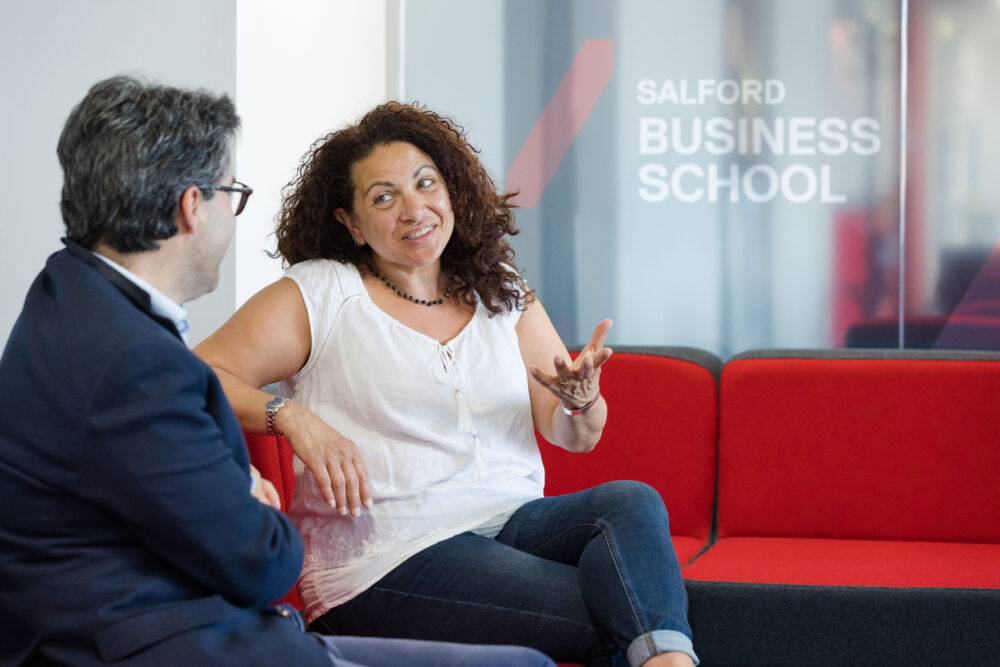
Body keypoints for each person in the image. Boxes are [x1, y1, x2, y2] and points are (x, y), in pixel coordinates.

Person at [0, 76, 554, 667]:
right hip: (166, 644)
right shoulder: (137, 362)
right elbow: (263, 563)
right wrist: (253, 500)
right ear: (193, 205)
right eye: (232, 194)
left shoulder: (65, 296)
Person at [195, 102, 698, 667]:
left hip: (508, 522)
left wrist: (582, 403)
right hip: (384, 559)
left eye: (425, 183)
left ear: (451, 190)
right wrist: (289, 416)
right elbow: (195, 375)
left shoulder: (499, 289)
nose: (414, 209)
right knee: (628, 615)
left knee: (631, 502)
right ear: (351, 223)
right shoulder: (321, 294)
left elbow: (573, 435)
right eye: (383, 198)